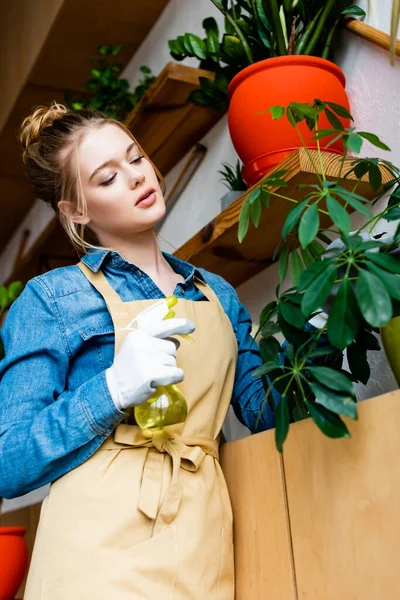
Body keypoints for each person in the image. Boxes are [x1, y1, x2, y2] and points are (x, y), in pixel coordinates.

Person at [0, 103, 276, 599]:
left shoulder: (216, 294)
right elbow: (8, 462)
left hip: (203, 538)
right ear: (76, 212)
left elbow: (262, 411)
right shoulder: (54, 300)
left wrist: (324, 341)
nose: (136, 177)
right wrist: (111, 390)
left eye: (135, 158)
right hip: (96, 553)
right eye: (107, 178)